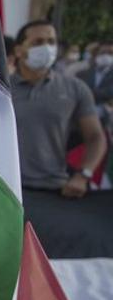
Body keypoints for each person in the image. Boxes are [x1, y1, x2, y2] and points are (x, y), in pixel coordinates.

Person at [10, 20, 106, 197]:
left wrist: (83, 175)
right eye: (38, 42)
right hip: (6, 189)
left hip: (54, 189)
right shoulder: (0, 88)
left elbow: (95, 137)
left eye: (51, 42)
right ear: (18, 51)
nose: (47, 48)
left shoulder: (75, 88)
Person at [77, 41, 113, 106]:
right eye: (102, 53)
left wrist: (87, 93)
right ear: (96, 54)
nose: (106, 56)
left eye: (110, 53)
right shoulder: (81, 74)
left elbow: (110, 92)